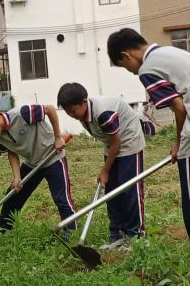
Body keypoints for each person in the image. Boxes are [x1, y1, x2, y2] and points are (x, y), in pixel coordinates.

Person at [107, 28, 190, 286]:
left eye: (126, 67)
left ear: (126, 54)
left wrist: (178, 141)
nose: (132, 73)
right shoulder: (176, 53)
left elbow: (178, 106)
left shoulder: (148, 68)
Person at [57, 82, 146, 250]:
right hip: (112, 144)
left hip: (129, 142)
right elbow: (111, 141)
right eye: (68, 112)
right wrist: (107, 171)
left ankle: (136, 236)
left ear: (84, 102)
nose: (71, 115)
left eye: (73, 110)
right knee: (111, 191)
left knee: (129, 190)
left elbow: (117, 142)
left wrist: (105, 170)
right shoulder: (83, 115)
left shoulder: (103, 113)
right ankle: (117, 234)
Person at [0, 104, 75, 232]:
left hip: (53, 158)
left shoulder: (22, 114)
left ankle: (71, 231)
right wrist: (17, 177)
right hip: (32, 163)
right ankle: (3, 229)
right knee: (13, 194)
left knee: (61, 198)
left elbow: (50, 110)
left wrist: (58, 137)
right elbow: (11, 152)